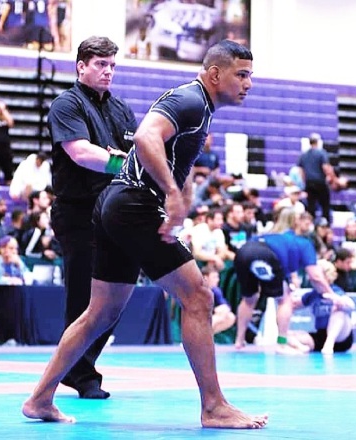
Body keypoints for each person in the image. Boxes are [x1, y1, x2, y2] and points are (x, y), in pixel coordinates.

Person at [22, 39, 266, 429]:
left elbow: (169, 156)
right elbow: (146, 138)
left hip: (116, 203)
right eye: (242, 74)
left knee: (100, 312)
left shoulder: (198, 106)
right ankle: (214, 406)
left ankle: (39, 399)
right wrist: (170, 193)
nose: (248, 83)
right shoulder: (190, 100)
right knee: (199, 297)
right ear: (216, 73)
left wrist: (180, 193)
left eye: (250, 75)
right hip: (134, 204)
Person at [44, 36, 137, 400]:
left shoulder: (122, 110)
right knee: (83, 298)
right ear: (81, 66)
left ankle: (80, 366)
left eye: (112, 65)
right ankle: (80, 373)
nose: (108, 71)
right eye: (101, 64)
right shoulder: (66, 105)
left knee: (117, 298)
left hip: (116, 211)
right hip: (78, 213)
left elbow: (139, 149)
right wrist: (122, 161)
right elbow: (81, 153)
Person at [233, 208, 336, 356]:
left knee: (250, 298)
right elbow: (316, 276)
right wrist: (331, 294)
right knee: (285, 300)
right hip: (265, 255)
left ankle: (239, 340)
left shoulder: (279, 238)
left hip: (243, 252)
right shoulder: (306, 244)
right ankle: (281, 344)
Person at [289, 259, 355, 354]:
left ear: (326, 276)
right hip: (320, 336)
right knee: (287, 336)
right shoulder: (313, 295)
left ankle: (329, 344)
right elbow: (292, 304)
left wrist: (339, 300)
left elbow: (351, 305)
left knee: (339, 309)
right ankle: (301, 347)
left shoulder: (335, 291)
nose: (311, 277)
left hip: (341, 338)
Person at [296, 132, 338, 223]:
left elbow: (301, 171)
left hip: (309, 183)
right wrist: (333, 179)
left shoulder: (304, 155)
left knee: (311, 206)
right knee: (325, 205)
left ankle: (310, 223)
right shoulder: (321, 153)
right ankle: (325, 224)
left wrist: (305, 182)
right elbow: (326, 167)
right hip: (320, 182)